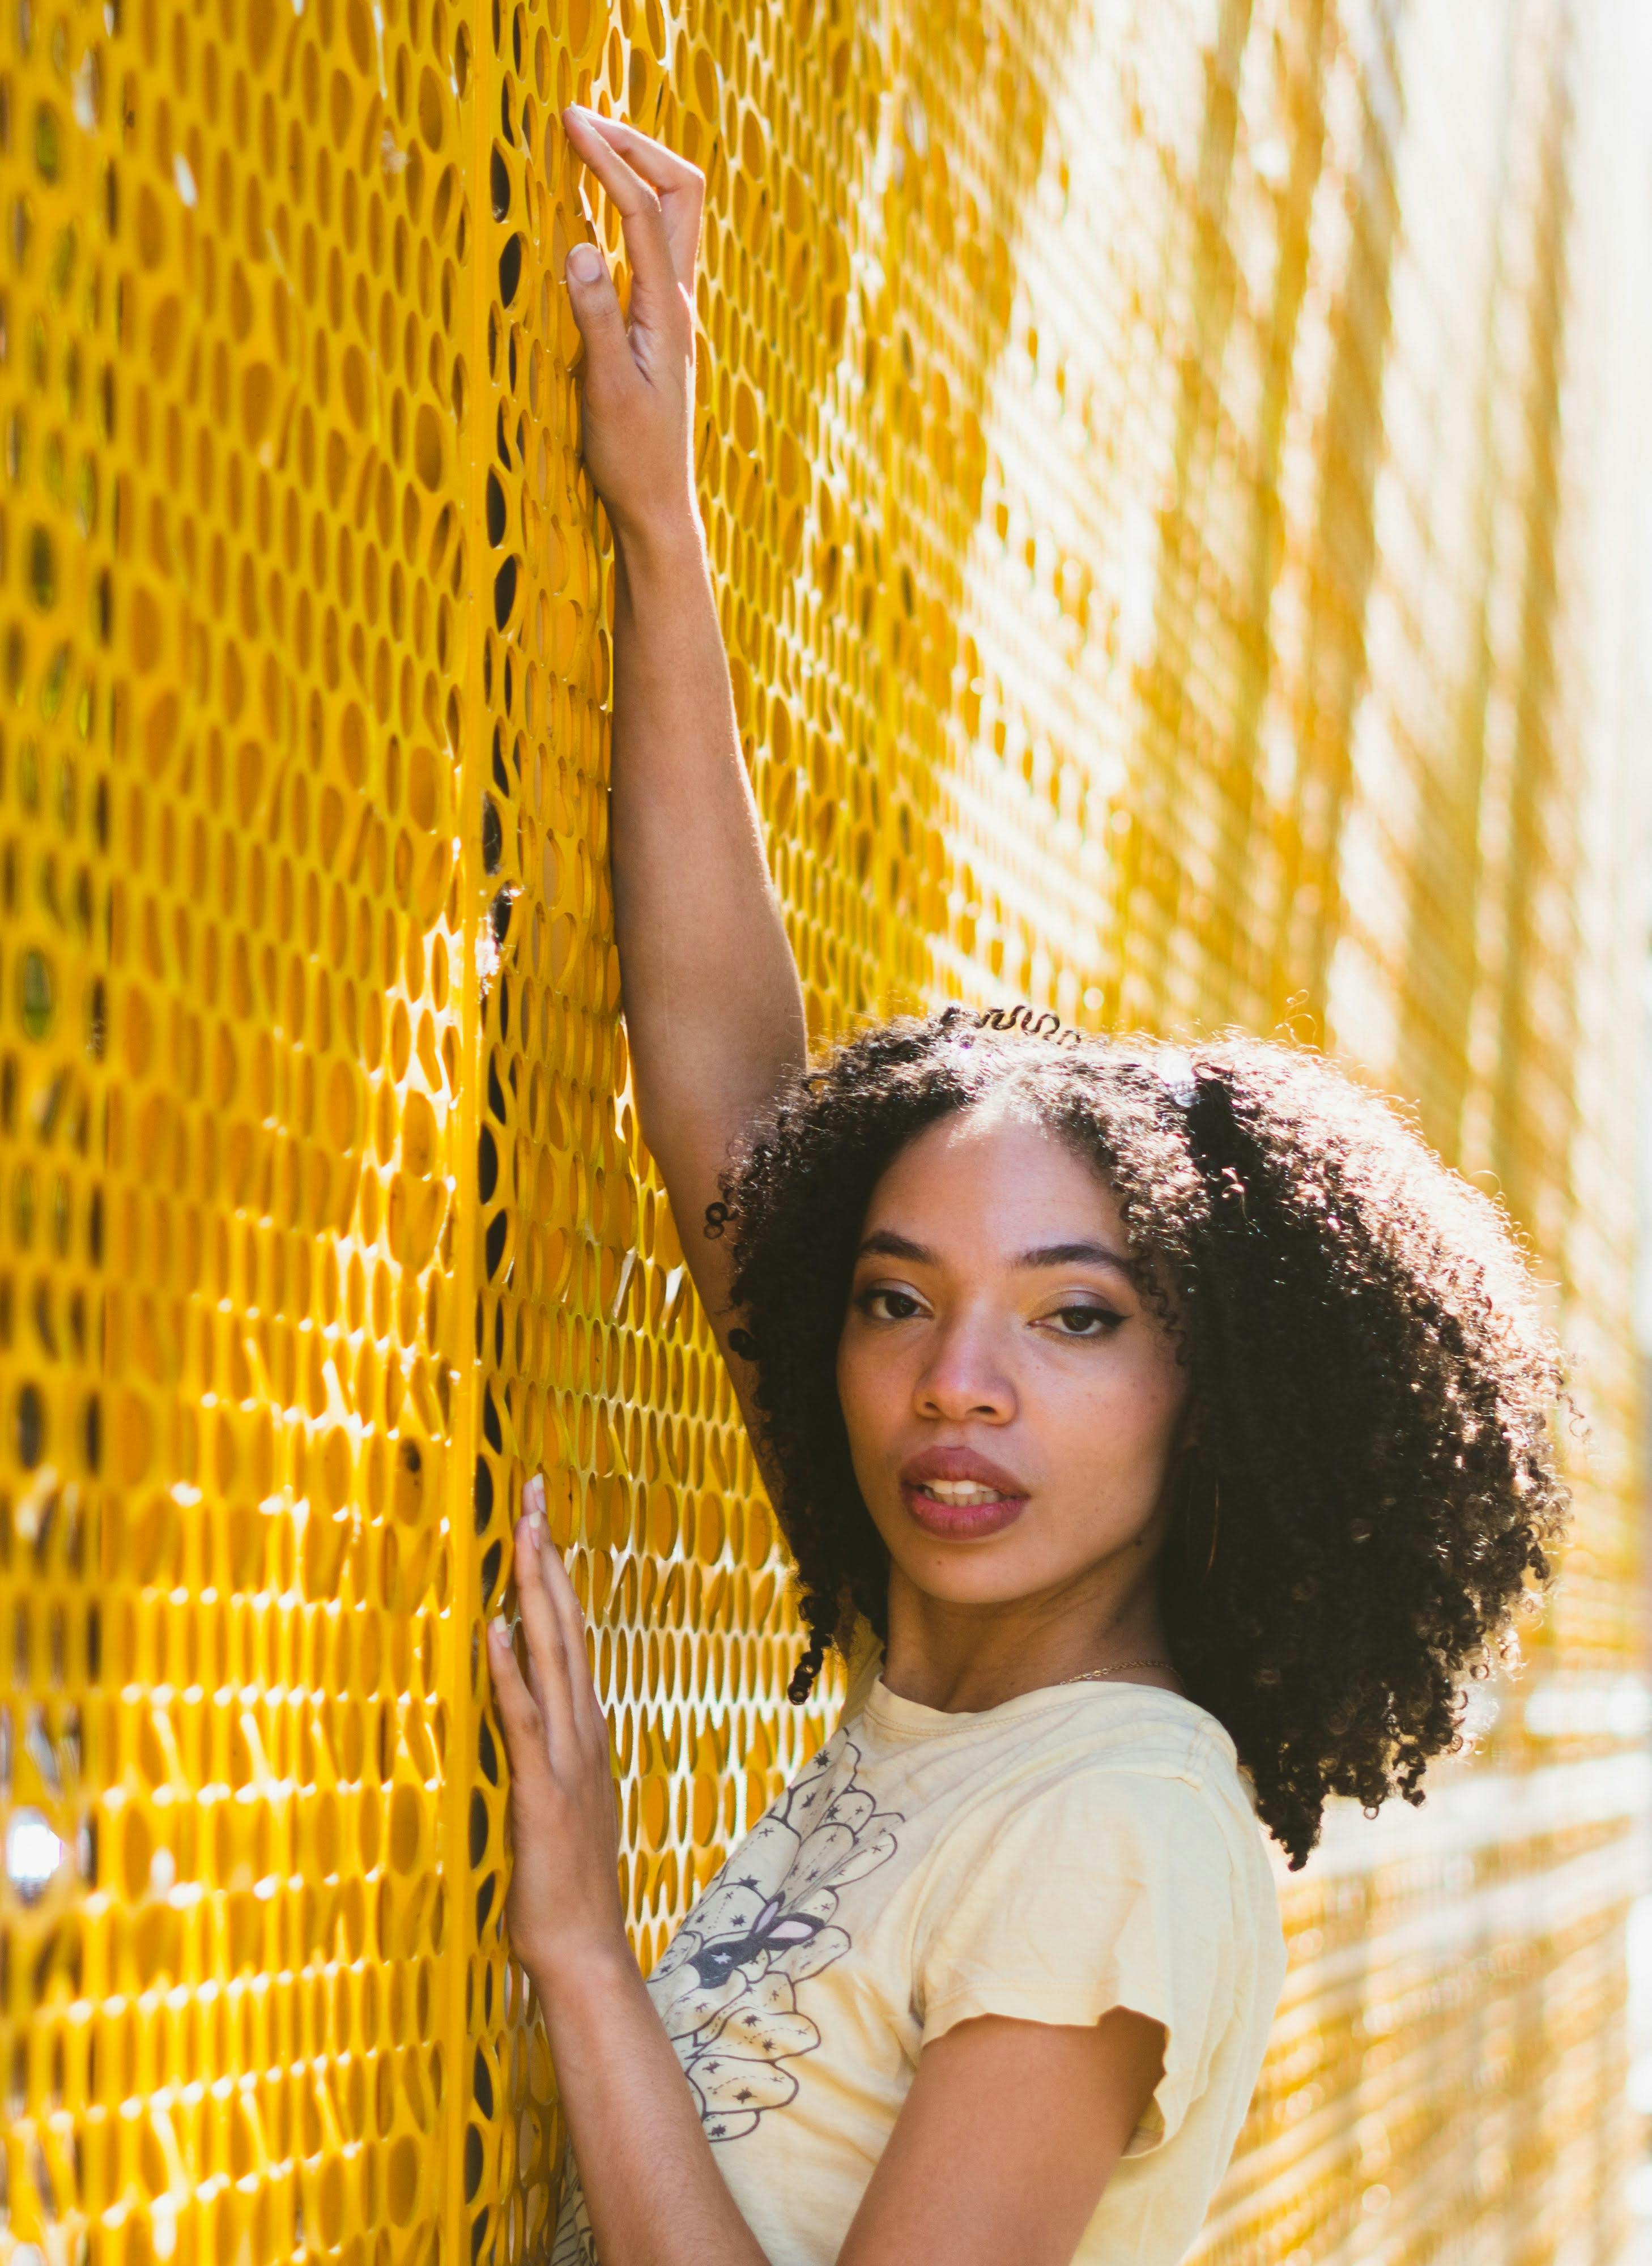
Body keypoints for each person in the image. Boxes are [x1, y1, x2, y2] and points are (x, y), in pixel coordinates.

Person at [486, 108, 1568, 2266]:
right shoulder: (959, 1692)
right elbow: (731, 1086)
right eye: (895, 1300)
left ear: (1220, 1394)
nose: (953, 1383)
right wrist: (657, 523)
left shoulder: (1120, 1826)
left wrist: (585, 1961)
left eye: (1075, 1318)